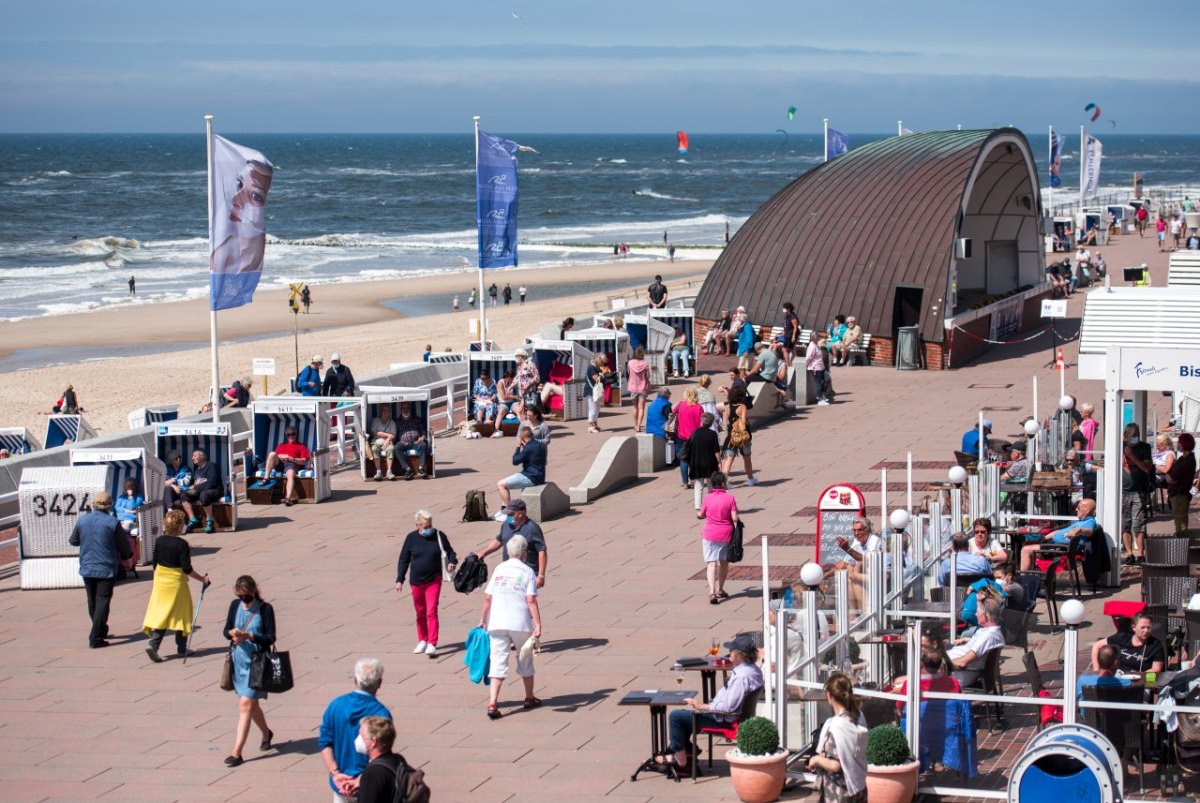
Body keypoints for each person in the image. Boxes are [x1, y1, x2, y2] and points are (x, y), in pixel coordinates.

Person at [659, 635, 764, 775]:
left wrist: (700, 706)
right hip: (734, 717)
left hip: (724, 720)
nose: (729, 653)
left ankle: (680, 757)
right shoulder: (753, 670)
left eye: (731, 650)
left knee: (676, 717)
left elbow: (728, 708)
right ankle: (685, 751)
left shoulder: (741, 677)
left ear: (738, 655)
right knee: (685, 717)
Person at [478, 534, 543, 719]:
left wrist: (483, 619)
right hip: (519, 622)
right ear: (523, 552)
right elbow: (530, 600)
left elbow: (488, 597)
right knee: (525, 659)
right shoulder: (527, 571)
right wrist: (537, 624)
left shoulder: (499, 568)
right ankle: (529, 697)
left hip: (497, 622)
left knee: (498, 662)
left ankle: (492, 703)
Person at [222, 575, 276, 767]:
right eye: (240, 595)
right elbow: (225, 630)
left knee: (246, 704)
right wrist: (232, 633)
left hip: (257, 663)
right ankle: (266, 733)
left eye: (246, 595)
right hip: (240, 661)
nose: (243, 599)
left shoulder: (265, 609)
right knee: (251, 706)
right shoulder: (234, 606)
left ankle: (237, 753)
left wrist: (250, 635)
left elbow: (270, 637)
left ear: (254, 591)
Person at [320, 658, 392, 801]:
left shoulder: (336, 705)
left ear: (355, 679)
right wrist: (360, 780)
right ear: (379, 683)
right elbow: (380, 753)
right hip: (368, 786)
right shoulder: (382, 714)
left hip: (340, 784)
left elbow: (325, 743)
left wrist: (335, 774)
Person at [142, 509, 209, 661]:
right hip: (176, 583)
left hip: (160, 580)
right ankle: (179, 647)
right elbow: (187, 569)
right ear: (180, 525)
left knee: (162, 612)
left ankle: (154, 644)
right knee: (182, 613)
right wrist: (202, 579)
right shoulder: (182, 544)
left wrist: (158, 577)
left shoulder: (159, 540)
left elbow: (154, 562)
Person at [67, 491, 131, 648]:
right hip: (106, 567)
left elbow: (73, 541)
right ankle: (95, 637)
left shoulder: (82, 521)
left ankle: (100, 629)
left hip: (87, 567)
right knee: (102, 601)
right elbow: (124, 546)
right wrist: (127, 557)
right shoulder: (113, 523)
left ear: (94, 505)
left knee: (92, 600)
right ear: (109, 506)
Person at [396, 510, 457, 657]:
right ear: (418, 525)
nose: (428, 528)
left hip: (433, 579)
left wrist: (452, 562)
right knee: (420, 612)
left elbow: (450, 552)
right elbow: (404, 559)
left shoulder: (438, 535)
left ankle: (432, 643)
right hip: (416, 581)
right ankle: (422, 640)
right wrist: (400, 579)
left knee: (431, 611)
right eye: (424, 526)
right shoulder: (411, 538)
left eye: (429, 525)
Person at [807, 673, 869, 802]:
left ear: (828, 695)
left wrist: (816, 760)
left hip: (839, 791)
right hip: (858, 785)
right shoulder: (859, 716)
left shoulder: (836, 726)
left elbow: (835, 765)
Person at [210, 157, 273, 277]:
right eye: (239, 184)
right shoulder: (223, 253)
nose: (236, 200)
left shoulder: (254, 253)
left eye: (255, 196)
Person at [475, 498, 548, 588]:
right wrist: (484, 553)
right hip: (508, 572)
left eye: (510, 514)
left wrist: (541, 575)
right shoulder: (506, 524)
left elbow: (542, 552)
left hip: (525, 574)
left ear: (520, 514)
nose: (508, 517)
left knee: (527, 600)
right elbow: (499, 540)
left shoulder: (532, 528)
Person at [1019, 499, 1098, 571]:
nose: (1076, 509)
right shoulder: (1080, 522)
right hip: (1055, 545)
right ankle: (1032, 578)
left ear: (1087, 510)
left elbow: (1090, 532)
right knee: (1027, 544)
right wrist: (1043, 538)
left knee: (1025, 550)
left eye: (1079, 507)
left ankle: (1023, 580)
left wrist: (1080, 530)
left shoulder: (1090, 522)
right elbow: (1059, 532)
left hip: (1060, 548)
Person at [698, 471, 739, 604]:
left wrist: (701, 515)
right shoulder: (730, 498)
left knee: (711, 563)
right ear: (722, 484)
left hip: (710, 534)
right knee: (724, 563)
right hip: (725, 535)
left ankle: (712, 592)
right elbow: (734, 518)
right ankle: (720, 589)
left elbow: (701, 514)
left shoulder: (707, 498)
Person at [353, 716, 414, 803]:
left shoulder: (373, 773)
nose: (358, 739)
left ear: (373, 742)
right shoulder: (398, 759)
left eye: (362, 735)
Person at [946, 597, 1004, 686]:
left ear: (985, 615)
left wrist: (940, 659)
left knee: (919, 670)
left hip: (956, 675)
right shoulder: (990, 632)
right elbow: (980, 646)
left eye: (977, 611)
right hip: (955, 670)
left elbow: (962, 662)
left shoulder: (988, 636)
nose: (975, 614)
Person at [1089, 612, 1165, 675]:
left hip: (1141, 681)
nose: (1146, 631)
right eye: (1143, 627)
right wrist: (1096, 670)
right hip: (1118, 679)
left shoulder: (1155, 644)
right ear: (1134, 627)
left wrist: (1137, 675)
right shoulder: (1123, 638)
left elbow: (1156, 669)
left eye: (1148, 627)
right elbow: (1097, 645)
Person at [1120, 423, 1154, 564]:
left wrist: (1131, 456)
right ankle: (1129, 553)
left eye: (1137, 435)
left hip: (1139, 490)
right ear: (1125, 436)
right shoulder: (1119, 446)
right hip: (1123, 491)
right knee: (1125, 524)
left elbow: (1146, 468)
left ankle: (1140, 553)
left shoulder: (1144, 447)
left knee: (1138, 524)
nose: (1135, 438)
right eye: (1132, 436)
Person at [891, 649, 961, 713]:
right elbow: (959, 705)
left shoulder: (912, 684)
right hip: (949, 723)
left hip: (920, 724)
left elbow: (900, 707)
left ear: (921, 665)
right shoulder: (954, 682)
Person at [496, 427, 547, 513]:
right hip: (540, 476)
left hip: (530, 477)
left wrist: (518, 446)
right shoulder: (541, 445)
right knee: (507, 485)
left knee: (501, 485)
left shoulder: (528, 448)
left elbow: (515, 461)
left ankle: (509, 512)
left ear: (522, 438)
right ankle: (504, 508)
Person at [263, 426, 312, 505]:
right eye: (289, 435)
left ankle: (288, 498)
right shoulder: (281, 445)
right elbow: (275, 456)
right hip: (280, 463)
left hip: (292, 464)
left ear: (296, 435)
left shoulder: (301, 446)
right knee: (272, 454)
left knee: (291, 474)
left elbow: (304, 461)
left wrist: (291, 458)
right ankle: (266, 478)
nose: (291, 436)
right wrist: (282, 456)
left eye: (293, 434)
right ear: (286, 436)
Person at [720, 384, 757, 485]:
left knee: (729, 460)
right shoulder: (742, 407)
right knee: (747, 458)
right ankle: (750, 479)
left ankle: (724, 482)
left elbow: (726, 423)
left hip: (732, 437)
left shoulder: (727, 407)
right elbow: (744, 421)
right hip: (743, 437)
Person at [181, 448, 223, 534]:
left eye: (194, 456)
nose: (192, 458)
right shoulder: (197, 470)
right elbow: (194, 484)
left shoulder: (211, 465)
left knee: (204, 495)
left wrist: (199, 494)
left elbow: (212, 482)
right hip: (199, 492)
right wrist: (191, 488)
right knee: (184, 495)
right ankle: (193, 519)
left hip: (215, 490)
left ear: (202, 457)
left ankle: (210, 521)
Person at [686, 413, 723, 510]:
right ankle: (711, 506)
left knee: (698, 487)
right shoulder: (713, 434)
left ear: (702, 421)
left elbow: (689, 447)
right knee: (711, 487)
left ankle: (698, 508)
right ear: (711, 423)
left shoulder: (695, 432)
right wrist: (719, 462)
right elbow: (716, 451)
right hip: (710, 463)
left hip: (697, 462)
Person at [674, 387, 704, 489]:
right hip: (694, 436)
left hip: (681, 435)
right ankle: (693, 479)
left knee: (683, 459)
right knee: (694, 458)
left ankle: (685, 482)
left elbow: (672, 412)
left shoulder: (681, 405)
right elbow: (701, 424)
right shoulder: (699, 407)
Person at [1167, 432, 1197, 532]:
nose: (1178, 444)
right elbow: (1172, 475)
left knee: (1181, 525)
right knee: (1179, 522)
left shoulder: (1188, 461)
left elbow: (1172, 477)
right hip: (1177, 494)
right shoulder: (1182, 458)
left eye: (1179, 442)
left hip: (1180, 495)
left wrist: (1168, 475)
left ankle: (1182, 545)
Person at [395, 402, 428, 480]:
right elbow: (394, 434)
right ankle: (407, 469)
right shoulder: (397, 421)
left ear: (410, 409)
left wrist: (422, 437)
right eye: (403, 408)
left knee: (423, 445)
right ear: (400, 409)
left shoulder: (417, 419)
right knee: (396, 447)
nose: (405, 410)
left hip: (416, 442)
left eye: (407, 408)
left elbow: (423, 433)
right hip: (403, 443)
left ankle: (421, 468)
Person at [367, 405, 398, 481]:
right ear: (380, 411)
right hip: (376, 441)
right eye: (384, 410)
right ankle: (378, 472)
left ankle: (389, 471)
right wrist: (387, 435)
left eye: (387, 410)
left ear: (389, 412)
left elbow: (394, 434)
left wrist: (387, 440)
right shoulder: (375, 420)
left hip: (388, 442)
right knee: (374, 449)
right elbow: (374, 432)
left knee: (391, 448)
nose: (385, 412)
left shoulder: (392, 422)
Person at [584, 354, 612, 434]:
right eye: (602, 362)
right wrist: (604, 373)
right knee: (593, 408)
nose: (602, 364)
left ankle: (595, 425)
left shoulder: (595, 367)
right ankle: (590, 426)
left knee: (597, 408)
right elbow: (596, 379)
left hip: (596, 390)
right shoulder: (591, 367)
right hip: (591, 390)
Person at [626, 347, 650, 432]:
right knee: (641, 408)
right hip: (643, 388)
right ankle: (639, 425)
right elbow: (648, 376)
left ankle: (635, 424)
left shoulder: (630, 363)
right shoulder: (645, 364)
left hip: (633, 387)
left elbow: (628, 373)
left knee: (635, 407)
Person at [512, 349, 540, 416]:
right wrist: (510, 387)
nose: (516, 358)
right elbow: (517, 378)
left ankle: (524, 426)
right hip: (522, 392)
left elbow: (537, 376)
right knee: (525, 411)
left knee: (520, 410)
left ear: (521, 356)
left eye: (516, 356)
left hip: (529, 391)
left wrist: (528, 384)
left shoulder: (529, 364)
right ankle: (527, 425)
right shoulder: (519, 367)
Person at [491, 368, 518, 438]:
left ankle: (523, 430)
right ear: (509, 377)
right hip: (503, 403)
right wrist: (515, 397)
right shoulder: (500, 383)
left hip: (512, 402)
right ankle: (495, 430)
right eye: (513, 378)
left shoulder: (512, 383)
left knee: (519, 410)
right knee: (501, 412)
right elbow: (504, 397)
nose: (513, 380)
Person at [806, 331, 830, 406]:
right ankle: (819, 399)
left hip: (821, 367)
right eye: (818, 336)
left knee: (827, 379)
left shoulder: (815, 345)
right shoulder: (812, 347)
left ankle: (822, 395)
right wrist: (806, 366)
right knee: (818, 384)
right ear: (814, 338)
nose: (819, 338)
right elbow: (808, 358)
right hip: (815, 368)